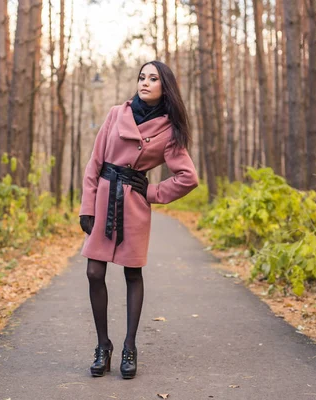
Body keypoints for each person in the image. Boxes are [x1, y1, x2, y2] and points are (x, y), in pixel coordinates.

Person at [79, 60, 198, 379]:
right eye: (142, 77)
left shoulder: (170, 131)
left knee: (133, 273)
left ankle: (130, 346)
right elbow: (94, 162)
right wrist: (86, 206)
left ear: (165, 86)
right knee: (93, 271)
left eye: (153, 78)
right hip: (104, 198)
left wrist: (152, 192)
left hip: (132, 203)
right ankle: (103, 345)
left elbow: (188, 177)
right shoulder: (117, 114)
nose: (145, 82)